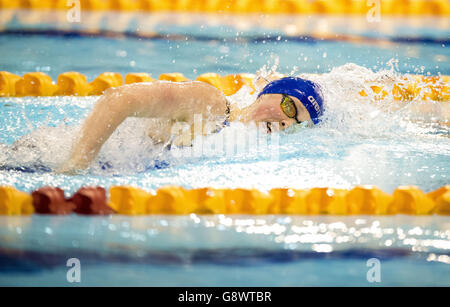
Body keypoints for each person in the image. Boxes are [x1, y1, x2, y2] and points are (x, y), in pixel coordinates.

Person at [58, 76, 324, 173]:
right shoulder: (211, 104)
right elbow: (119, 99)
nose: (287, 123)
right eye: (290, 107)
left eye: (298, 123)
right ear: (267, 91)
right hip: (48, 160)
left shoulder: (238, 149)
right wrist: (76, 165)